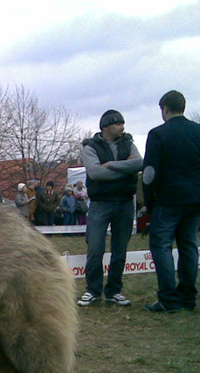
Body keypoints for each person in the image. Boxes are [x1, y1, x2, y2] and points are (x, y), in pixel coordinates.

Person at [142, 90, 200, 312]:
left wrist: (148, 204)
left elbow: (148, 174)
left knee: (161, 246)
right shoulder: (199, 132)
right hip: (196, 199)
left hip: (168, 200)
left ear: (165, 109)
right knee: (188, 245)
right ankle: (188, 298)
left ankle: (168, 299)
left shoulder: (158, 134)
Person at [77, 109, 142, 307]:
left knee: (119, 250)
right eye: (118, 124)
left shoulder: (129, 143)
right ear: (106, 127)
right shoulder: (90, 147)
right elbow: (95, 173)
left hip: (124, 203)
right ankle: (93, 290)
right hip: (100, 204)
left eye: (123, 123)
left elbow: (139, 163)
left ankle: (114, 291)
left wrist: (110, 165)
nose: (123, 127)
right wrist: (125, 169)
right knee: (95, 248)